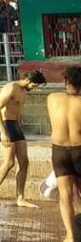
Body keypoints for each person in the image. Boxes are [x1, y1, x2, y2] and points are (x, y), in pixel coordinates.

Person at [0, 69, 47, 208]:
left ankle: (20, 198)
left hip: (15, 126)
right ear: (28, 80)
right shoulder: (10, 88)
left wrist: (19, 126)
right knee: (9, 162)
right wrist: (3, 132)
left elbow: (17, 111)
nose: (34, 89)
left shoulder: (23, 91)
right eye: (34, 86)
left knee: (24, 162)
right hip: (6, 125)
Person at [48, 66, 81, 241]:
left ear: (65, 81)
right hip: (79, 150)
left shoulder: (52, 98)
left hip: (59, 152)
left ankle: (71, 236)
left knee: (66, 196)